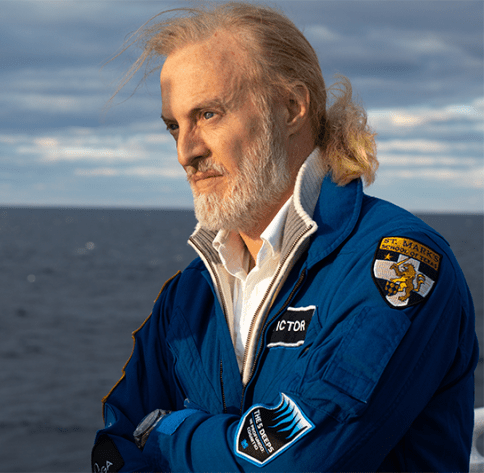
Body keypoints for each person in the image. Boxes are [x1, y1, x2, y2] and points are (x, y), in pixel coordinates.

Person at [91, 3, 479, 472]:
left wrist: (167, 434)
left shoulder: (398, 264)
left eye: (208, 114)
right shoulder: (190, 295)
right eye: (174, 126)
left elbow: (296, 462)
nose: (185, 152)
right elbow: (115, 450)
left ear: (292, 107)